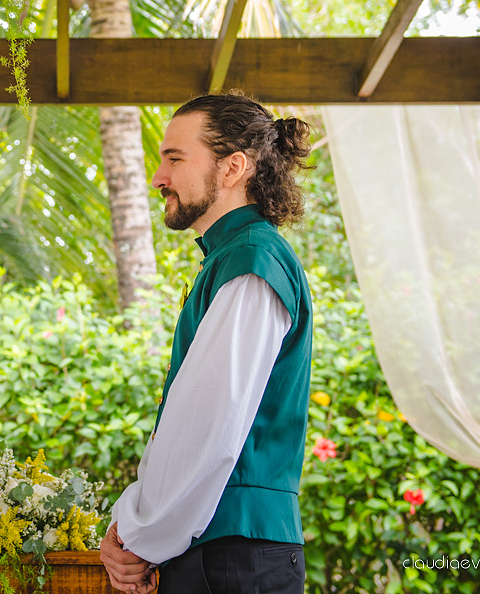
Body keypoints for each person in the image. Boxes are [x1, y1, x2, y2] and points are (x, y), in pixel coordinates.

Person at [100, 94, 314, 594]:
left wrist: (138, 535)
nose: (158, 177)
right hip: (225, 552)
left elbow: (207, 427)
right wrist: (136, 529)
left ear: (233, 167)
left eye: (175, 158)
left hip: (234, 558)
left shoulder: (252, 261)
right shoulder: (234, 258)